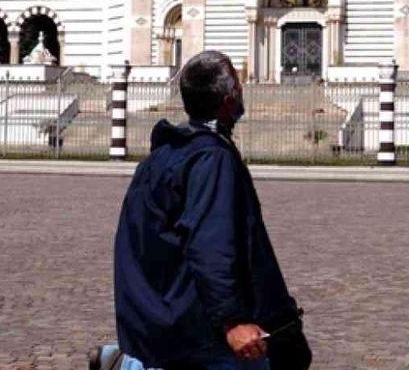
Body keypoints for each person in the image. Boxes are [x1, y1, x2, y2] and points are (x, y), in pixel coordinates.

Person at [100, 51, 310, 370]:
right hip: (202, 336)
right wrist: (232, 322)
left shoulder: (163, 155)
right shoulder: (211, 160)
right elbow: (211, 246)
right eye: (238, 87)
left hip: (161, 320)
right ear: (228, 100)